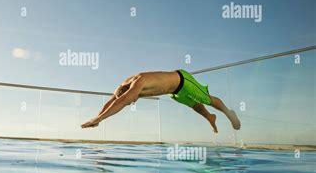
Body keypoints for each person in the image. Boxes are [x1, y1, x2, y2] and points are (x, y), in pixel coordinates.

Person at [81, 69, 240, 133]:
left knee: (206, 99)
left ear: (129, 91)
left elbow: (122, 101)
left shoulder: (138, 83)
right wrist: (97, 116)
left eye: (131, 98)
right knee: (195, 106)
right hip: (173, 92)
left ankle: (228, 113)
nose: (132, 101)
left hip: (183, 80)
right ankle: (210, 118)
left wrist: (100, 119)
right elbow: (113, 101)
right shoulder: (124, 85)